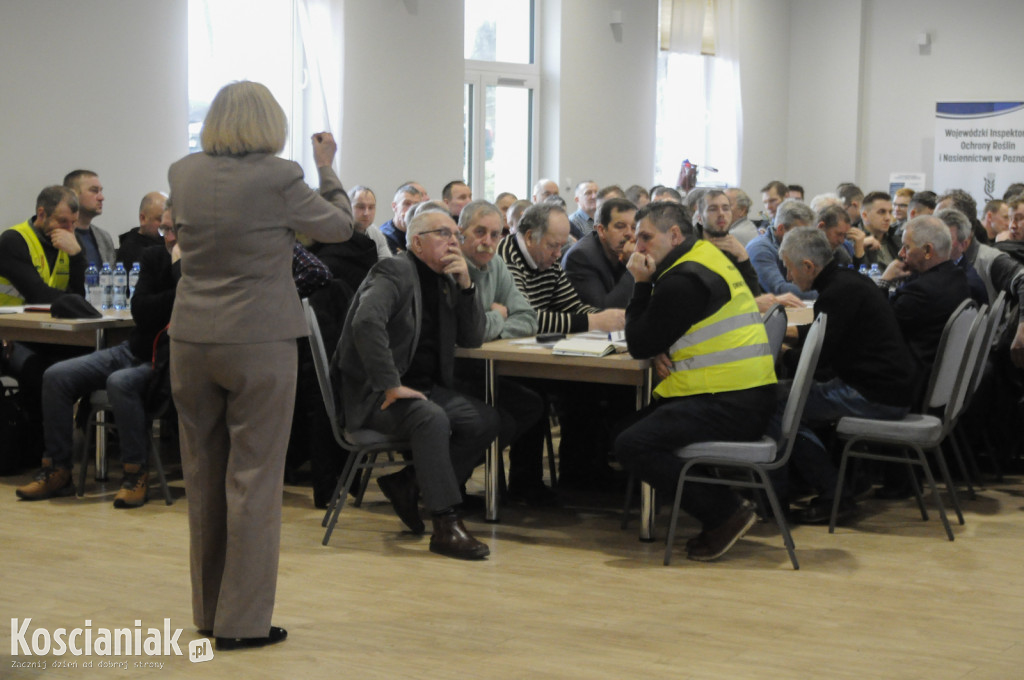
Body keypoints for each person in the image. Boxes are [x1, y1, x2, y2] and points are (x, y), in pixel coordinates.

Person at [167, 81, 354, 651]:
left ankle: (206, 611)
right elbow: (340, 228)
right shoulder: (281, 176)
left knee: (202, 474)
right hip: (260, 339)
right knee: (254, 481)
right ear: (270, 124)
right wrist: (329, 171)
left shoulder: (182, 172)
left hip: (192, 336)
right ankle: (242, 621)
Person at [614, 201, 777, 561]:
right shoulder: (704, 256)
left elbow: (639, 343)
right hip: (742, 394)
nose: (637, 247)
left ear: (674, 235)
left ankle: (725, 513)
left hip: (730, 401)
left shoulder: (684, 278)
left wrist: (639, 284)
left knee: (631, 444)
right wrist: (661, 342)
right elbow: (662, 334)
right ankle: (721, 506)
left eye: (645, 237)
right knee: (622, 429)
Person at [333, 206, 500, 557]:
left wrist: (467, 287)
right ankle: (445, 525)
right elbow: (366, 322)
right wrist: (390, 383)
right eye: (443, 234)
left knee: (486, 420)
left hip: (424, 389)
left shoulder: (448, 279)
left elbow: (472, 339)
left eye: (456, 235)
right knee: (431, 417)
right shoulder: (395, 270)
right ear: (417, 242)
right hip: (379, 395)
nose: (453, 242)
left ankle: (409, 484)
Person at [16, 203, 181, 506]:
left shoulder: (202, 265)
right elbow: (142, 311)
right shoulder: (153, 255)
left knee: (121, 382)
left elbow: (188, 303)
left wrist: (178, 271)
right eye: (165, 230)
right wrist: (173, 292)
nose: (168, 238)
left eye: (173, 230)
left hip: (170, 361)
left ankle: (135, 472)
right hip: (133, 349)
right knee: (57, 375)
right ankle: (57, 469)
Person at [777, 227, 915, 523]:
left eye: (789, 268)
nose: (788, 278)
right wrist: (784, 326)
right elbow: (818, 324)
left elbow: (814, 359)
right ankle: (839, 482)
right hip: (888, 387)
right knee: (785, 396)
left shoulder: (838, 292)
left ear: (808, 267)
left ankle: (833, 494)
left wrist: (781, 351)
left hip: (875, 396)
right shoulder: (848, 281)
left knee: (776, 404)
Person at [453, 200, 549, 504]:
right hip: (450, 371)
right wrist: (497, 317)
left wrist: (491, 323)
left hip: (482, 369)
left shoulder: (495, 264)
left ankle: (443, 477)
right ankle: (442, 483)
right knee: (501, 420)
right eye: (480, 232)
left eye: (495, 234)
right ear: (460, 233)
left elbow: (528, 319)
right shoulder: (452, 267)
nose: (488, 241)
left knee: (532, 404)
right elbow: (469, 333)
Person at [0, 185, 88, 464]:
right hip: (11, 336)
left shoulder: (67, 245)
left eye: (73, 223)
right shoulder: (13, 241)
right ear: (42, 213)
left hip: (50, 336)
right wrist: (71, 301)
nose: (68, 229)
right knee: (45, 373)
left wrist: (77, 257)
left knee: (91, 363)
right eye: (63, 222)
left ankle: (88, 445)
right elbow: (39, 294)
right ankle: (47, 455)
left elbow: (82, 296)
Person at [562, 196, 636, 308]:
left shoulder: (627, 251)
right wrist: (632, 269)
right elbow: (602, 311)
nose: (629, 233)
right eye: (620, 227)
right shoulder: (580, 256)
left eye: (634, 228)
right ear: (601, 230)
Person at [746, 198, 817, 300]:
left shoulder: (796, 246)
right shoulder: (760, 249)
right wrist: (825, 293)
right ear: (781, 229)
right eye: (800, 233)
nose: (805, 238)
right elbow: (780, 290)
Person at [63, 170, 115, 266]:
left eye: (101, 191)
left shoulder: (104, 237)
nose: (101, 197)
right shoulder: (60, 235)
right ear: (73, 195)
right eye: (94, 191)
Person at [116, 191, 166, 266]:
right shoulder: (130, 251)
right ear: (143, 219)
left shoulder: (170, 241)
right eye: (160, 219)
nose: (166, 224)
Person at [379, 183, 424, 254]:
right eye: (406, 204)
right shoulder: (384, 236)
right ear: (394, 207)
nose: (411, 209)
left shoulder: (424, 232)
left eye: (416, 205)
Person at [349, 185, 391, 260]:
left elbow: (388, 267)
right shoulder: (337, 234)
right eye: (361, 207)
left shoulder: (376, 234)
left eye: (371, 207)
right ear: (348, 207)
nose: (366, 213)